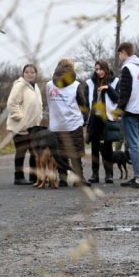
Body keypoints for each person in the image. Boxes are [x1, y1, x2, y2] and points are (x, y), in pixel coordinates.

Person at [46, 58, 90, 187]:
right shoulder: (75, 85)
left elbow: (48, 103)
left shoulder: (49, 85)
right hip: (73, 123)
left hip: (56, 125)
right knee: (75, 153)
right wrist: (85, 119)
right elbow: (82, 104)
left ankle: (63, 179)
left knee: (60, 153)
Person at [116, 42, 139, 188]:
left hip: (131, 110)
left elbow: (125, 92)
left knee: (133, 145)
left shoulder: (128, 68)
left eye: (119, 54)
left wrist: (119, 110)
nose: (119, 57)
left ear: (124, 52)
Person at [6, 64, 43, 185]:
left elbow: (39, 104)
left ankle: (34, 176)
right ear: (23, 73)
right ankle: (18, 177)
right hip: (20, 127)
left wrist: (39, 117)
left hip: (33, 127)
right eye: (27, 72)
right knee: (21, 151)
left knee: (34, 151)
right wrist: (20, 118)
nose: (29, 74)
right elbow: (12, 104)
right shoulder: (19, 86)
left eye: (32, 72)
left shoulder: (35, 87)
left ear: (36, 74)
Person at [85, 60, 120, 184]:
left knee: (107, 146)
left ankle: (109, 174)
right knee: (94, 146)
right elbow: (86, 102)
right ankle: (94, 174)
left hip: (108, 118)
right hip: (94, 118)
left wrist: (108, 88)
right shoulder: (90, 83)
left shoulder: (115, 81)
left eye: (101, 69)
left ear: (106, 69)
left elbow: (118, 99)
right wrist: (86, 119)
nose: (98, 72)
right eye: (96, 69)